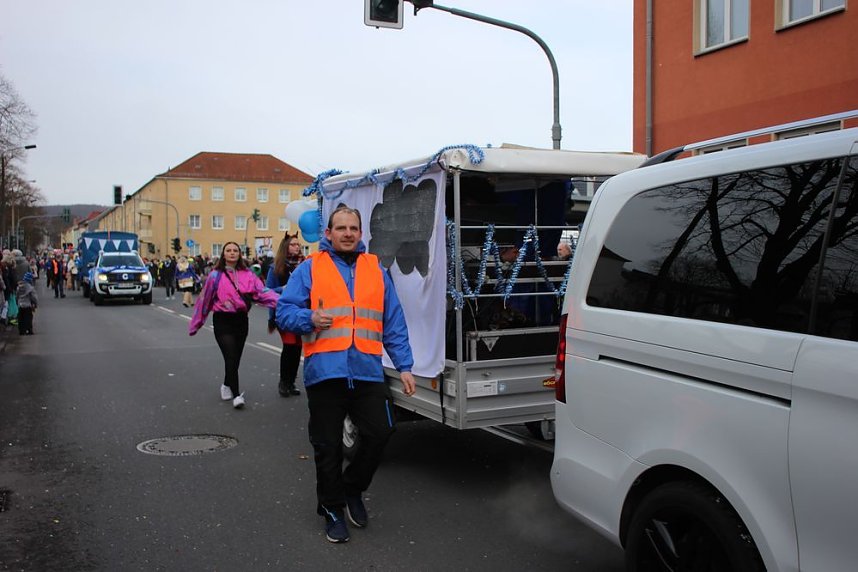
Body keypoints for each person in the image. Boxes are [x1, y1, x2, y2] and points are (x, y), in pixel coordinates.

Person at [276, 206, 416, 544]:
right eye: (341, 228)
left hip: (367, 371)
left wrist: (405, 366)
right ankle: (333, 508)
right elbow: (284, 311)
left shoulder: (376, 269)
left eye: (354, 228)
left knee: (381, 432)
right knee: (327, 447)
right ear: (328, 233)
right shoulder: (311, 268)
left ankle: (353, 488)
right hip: (325, 373)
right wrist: (308, 318)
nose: (348, 233)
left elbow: (392, 320)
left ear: (360, 233)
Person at [189, 241, 279, 409]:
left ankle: (226, 384)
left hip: (241, 320)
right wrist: (196, 324)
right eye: (228, 250)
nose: (232, 253)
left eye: (235, 250)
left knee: (235, 358)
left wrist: (283, 302)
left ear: (239, 254)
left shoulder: (249, 275)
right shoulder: (215, 276)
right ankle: (237, 395)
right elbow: (204, 301)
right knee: (230, 356)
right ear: (223, 254)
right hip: (222, 320)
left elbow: (262, 293)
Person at [265, 233, 305, 397]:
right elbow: (267, 293)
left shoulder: (304, 265)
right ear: (285, 247)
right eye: (293, 244)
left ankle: (291, 382)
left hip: (302, 312)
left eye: (298, 244)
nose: (297, 247)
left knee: (297, 348)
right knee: (289, 347)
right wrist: (283, 289)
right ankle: (284, 382)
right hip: (284, 314)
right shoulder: (276, 268)